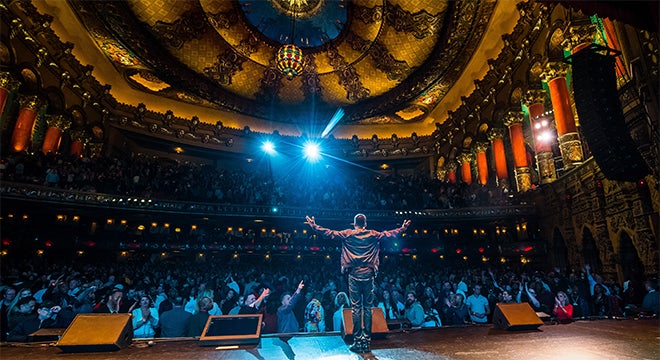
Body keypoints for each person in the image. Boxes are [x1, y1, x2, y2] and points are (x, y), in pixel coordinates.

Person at [306, 214, 410, 354]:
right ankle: (366, 342)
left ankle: (357, 341)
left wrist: (314, 226)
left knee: (356, 308)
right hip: (368, 275)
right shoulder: (372, 234)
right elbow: (390, 234)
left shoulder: (348, 234)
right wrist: (402, 228)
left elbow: (329, 233)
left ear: (354, 224)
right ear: (365, 224)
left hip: (354, 275)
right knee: (367, 308)